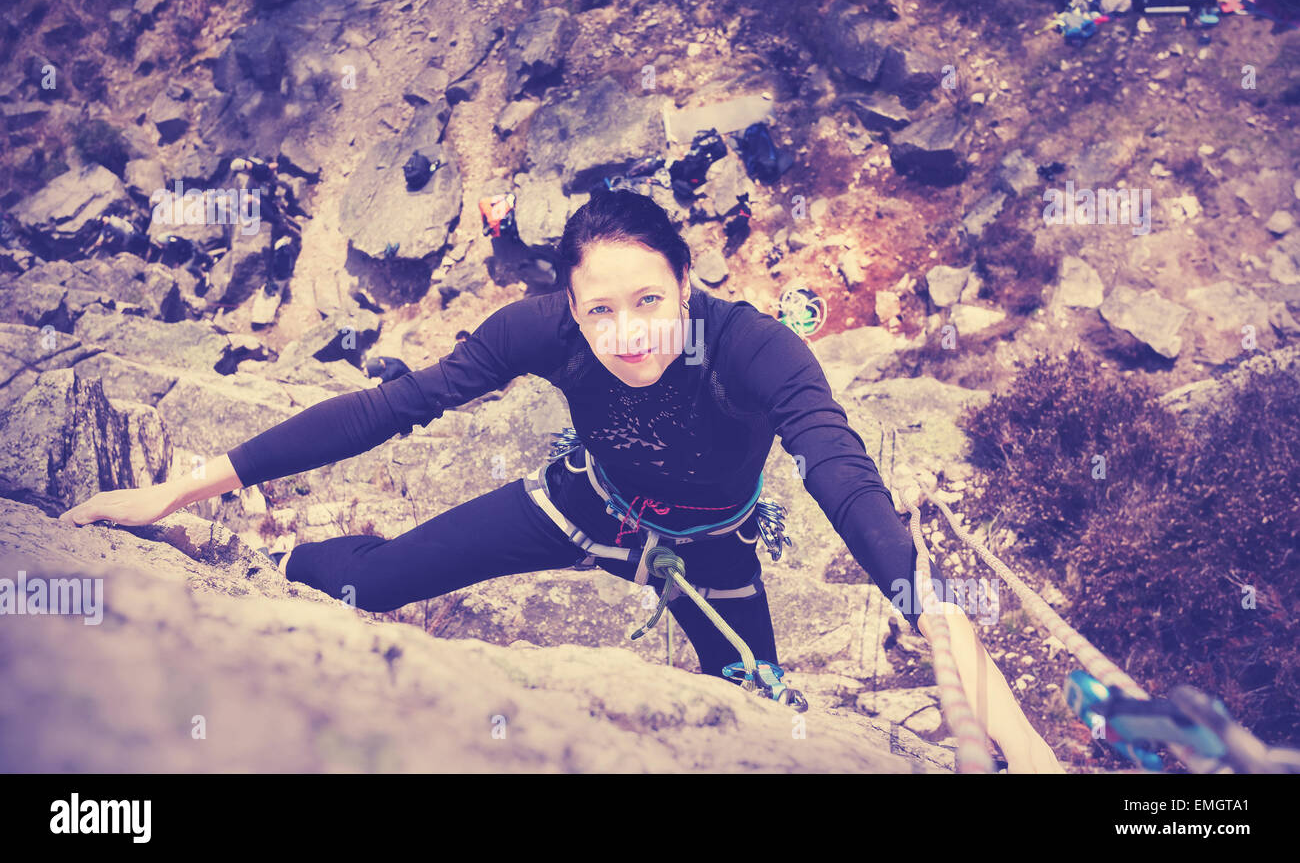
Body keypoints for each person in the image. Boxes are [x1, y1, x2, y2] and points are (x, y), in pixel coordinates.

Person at [59, 189, 1063, 773]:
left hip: (711, 546)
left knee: (754, 716)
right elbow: (388, 409)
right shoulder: (534, 330)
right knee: (362, 584)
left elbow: (843, 479)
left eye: (650, 302)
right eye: (599, 311)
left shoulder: (757, 351)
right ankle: (283, 555)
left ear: (688, 280)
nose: (627, 335)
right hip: (584, 505)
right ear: (567, 305)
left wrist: (945, 631)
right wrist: (179, 491)